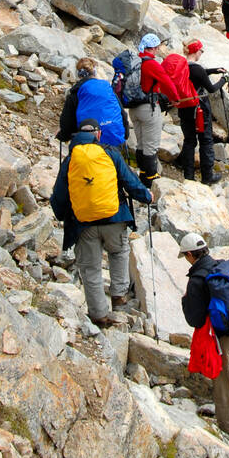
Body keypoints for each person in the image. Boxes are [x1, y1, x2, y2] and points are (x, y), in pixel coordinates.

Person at [51, 119, 152, 329]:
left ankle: (98, 316)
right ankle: (119, 298)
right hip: (114, 218)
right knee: (119, 253)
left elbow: (59, 195)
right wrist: (146, 196)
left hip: (83, 224)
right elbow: (129, 180)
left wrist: (62, 216)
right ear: (98, 134)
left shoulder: (70, 160)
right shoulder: (110, 152)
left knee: (91, 269)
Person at [179, 232, 229, 439]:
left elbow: (195, 320)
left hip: (218, 336)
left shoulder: (197, 280)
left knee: (222, 379)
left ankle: (228, 429)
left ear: (190, 254)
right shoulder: (221, 266)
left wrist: (185, 301)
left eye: (185, 256)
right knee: (226, 367)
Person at [128, 33, 184, 187]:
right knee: (151, 146)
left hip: (133, 108)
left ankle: (142, 176)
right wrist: (175, 98)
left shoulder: (134, 61)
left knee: (140, 144)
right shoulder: (151, 64)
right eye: (158, 46)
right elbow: (167, 82)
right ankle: (150, 182)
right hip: (149, 108)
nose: (159, 49)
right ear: (153, 47)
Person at [178, 39, 227, 184]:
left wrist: (213, 70)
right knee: (206, 140)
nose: (201, 53)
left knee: (189, 141)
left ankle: (188, 176)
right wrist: (224, 79)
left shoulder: (182, 65)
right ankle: (207, 176)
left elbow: (199, 74)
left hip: (184, 108)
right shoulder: (197, 69)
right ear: (196, 51)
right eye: (201, 51)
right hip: (199, 109)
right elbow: (211, 89)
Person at [57, 57, 126, 150]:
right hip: (114, 139)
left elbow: (67, 124)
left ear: (79, 75)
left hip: (89, 144)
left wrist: (62, 136)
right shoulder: (107, 88)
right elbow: (123, 114)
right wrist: (125, 135)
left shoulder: (75, 93)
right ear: (95, 71)